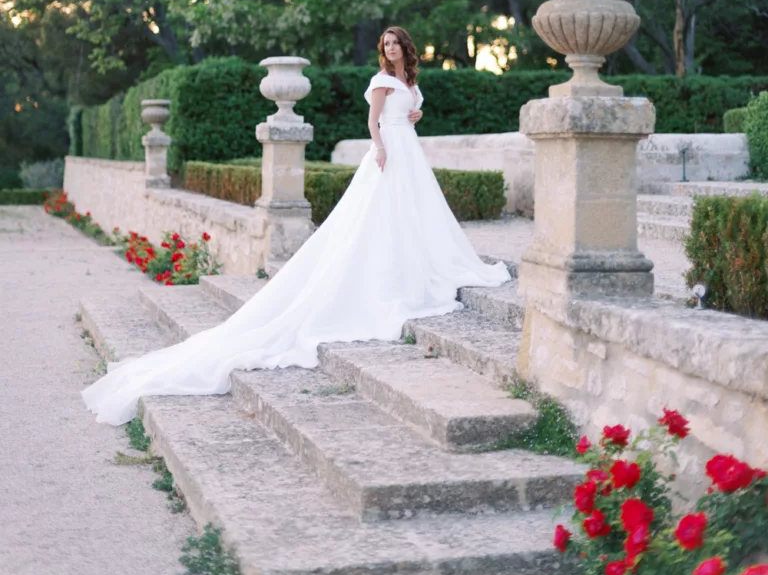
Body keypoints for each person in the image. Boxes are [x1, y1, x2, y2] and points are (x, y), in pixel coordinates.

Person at [82, 27, 510, 425]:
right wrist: (379, 148)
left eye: (396, 42)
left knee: (416, 211)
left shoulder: (410, 81)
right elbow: (373, 121)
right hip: (389, 150)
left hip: (410, 148)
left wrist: (413, 119)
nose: (390, 48)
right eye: (385, 43)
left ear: (406, 48)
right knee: (380, 216)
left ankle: (425, 260)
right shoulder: (381, 81)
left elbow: (410, 111)